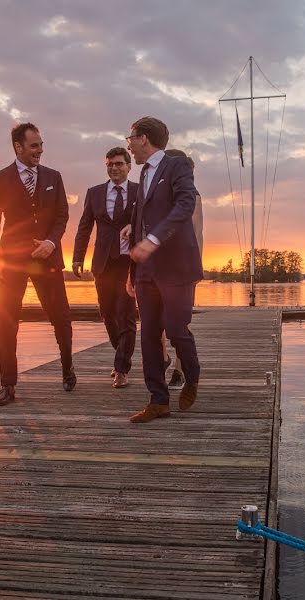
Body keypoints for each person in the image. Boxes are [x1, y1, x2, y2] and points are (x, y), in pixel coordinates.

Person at [0, 122, 74, 406]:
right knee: (7, 323)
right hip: (11, 262)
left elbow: (62, 214)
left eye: (41, 145)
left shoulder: (53, 177)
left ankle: (67, 368)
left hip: (47, 258)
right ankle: (7, 385)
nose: (40, 151)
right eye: (34, 146)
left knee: (60, 316)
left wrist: (51, 242)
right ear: (18, 147)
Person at [122, 117, 203, 423]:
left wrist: (154, 238)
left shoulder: (176, 166)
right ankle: (158, 400)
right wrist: (133, 269)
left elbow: (184, 205)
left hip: (175, 266)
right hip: (146, 271)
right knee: (149, 336)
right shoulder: (143, 174)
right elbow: (141, 217)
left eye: (130, 138)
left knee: (177, 329)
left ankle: (192, 376)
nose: (128, 144)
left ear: (143, 138)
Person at [72, 148, 138, 389]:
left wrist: (133, 224)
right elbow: (84, 227)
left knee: (126, 314)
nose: (114, 168)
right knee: (108, 314)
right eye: (110, 164)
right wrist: (77, 257)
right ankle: (121, 355)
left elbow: (147, 220)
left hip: (129, 263)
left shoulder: (139, 192)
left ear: (129, 166)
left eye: (119, 164)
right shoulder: (95, 193)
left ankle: (122, 368)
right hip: (102, 264)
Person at [161, 149, 203, 391]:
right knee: (159, 321)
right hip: (159, 268)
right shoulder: (160, 193)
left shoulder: (193, 197)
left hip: (183, 268)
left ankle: (179, 369)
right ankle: (165, 358)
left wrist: (194, 270)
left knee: (179, 322)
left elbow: (198, 234)